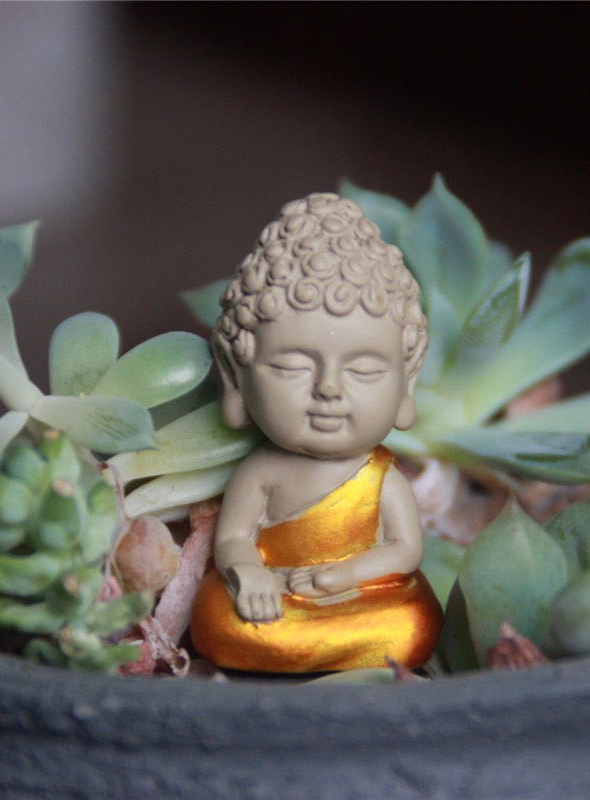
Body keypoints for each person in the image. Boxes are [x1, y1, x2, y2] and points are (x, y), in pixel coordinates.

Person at [190, 192, 443, 672]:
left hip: (359, 596)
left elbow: (405, 550)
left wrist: (345, 574)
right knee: (216, 617)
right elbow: (234, 538)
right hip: (273, 595)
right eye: (292, 367)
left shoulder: (382, 476)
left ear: (406, 380)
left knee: (412, 622)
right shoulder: (261, 472)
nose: (328, 389)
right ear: (236, 375)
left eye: (364, 370)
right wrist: (249, 574)